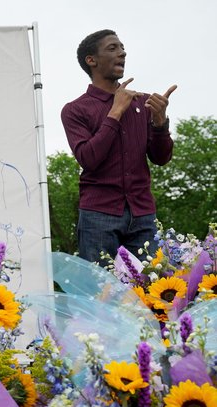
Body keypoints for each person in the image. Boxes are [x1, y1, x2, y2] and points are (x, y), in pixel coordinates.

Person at [61, 30, 176, 264]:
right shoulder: (75, 110)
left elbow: (161, 158)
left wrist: (160, 122)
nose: (122, 52)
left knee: (155, 293)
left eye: (122, 48)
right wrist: (115, 111)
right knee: (100, 294)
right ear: (91, 60)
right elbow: (88, 159)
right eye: (112, 48)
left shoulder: (143, 104)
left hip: (143, 214)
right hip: (98, 216)